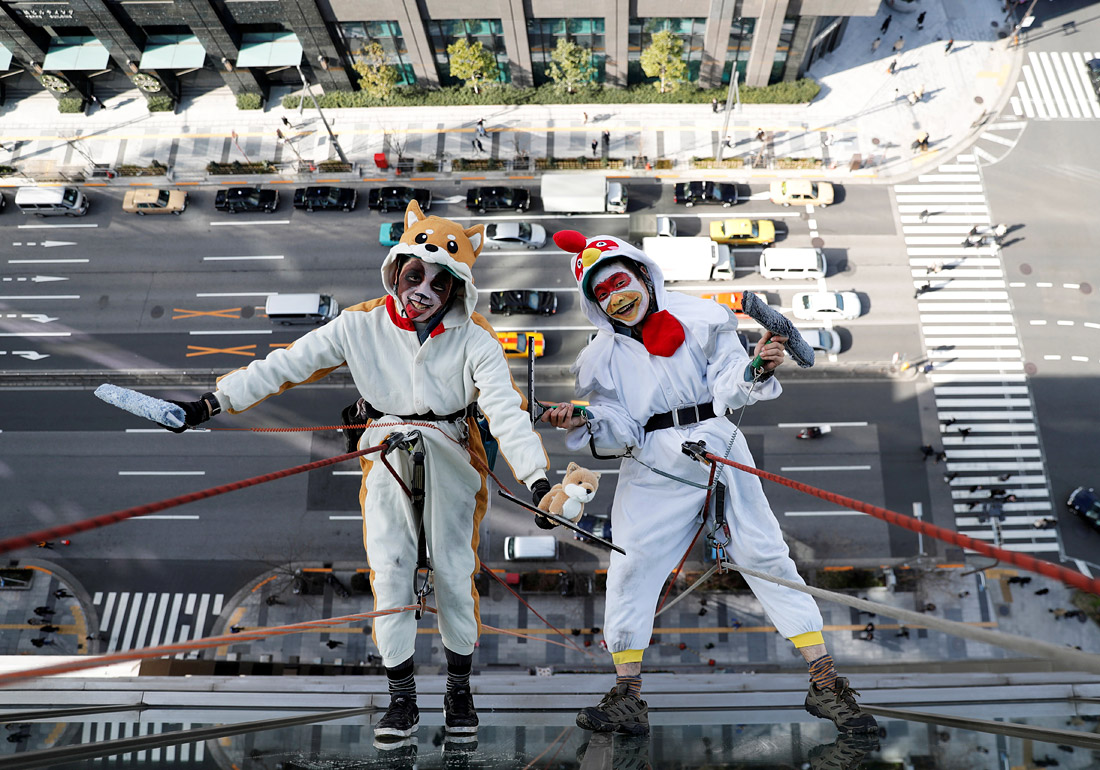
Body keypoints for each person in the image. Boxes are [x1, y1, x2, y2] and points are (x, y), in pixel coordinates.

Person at [159, 200, 553, 745]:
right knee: (389, 570)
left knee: (455, 573)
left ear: (457, 291)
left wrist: (538, 481)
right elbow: (284, 365)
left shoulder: (475, 337)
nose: (425, 292)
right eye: (416, 275)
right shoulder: (358, 325)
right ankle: (402, 699)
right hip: (385, 447)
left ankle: (458, 691)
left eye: (442, 285)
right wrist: (210, 402)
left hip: (453, 450)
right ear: (397, 270)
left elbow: (505, 411)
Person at [543, 230, 877, 738]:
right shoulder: (597, 359)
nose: (616, 296)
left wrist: (754, 367)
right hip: (651, 463)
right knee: (629, 567)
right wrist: (581, 420)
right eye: (603, 293)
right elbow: (618, 427)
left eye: (619, 281)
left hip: (717, 442)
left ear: (641, 274)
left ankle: (826, 682)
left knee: (766, 556)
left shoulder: (703, 317)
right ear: (595, 304)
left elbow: (728, 381)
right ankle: (627, 696)